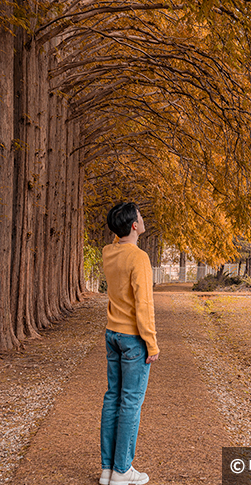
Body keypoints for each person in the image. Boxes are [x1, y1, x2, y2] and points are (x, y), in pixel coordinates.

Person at [99, 202, 160, 485]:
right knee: (131, 402)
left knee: (113, 398)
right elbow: (144, 304)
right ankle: (123, 470)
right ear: (134, 225)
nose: (143, 218)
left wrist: (120, 226)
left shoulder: (109, 253)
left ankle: (108, 469)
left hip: (112, 334)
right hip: (133, 338)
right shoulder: (138, 258)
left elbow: (117, 240)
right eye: (140, 216)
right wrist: (152, 343)